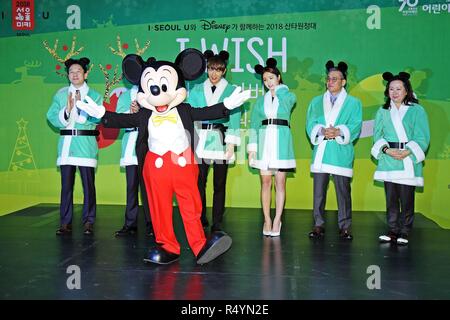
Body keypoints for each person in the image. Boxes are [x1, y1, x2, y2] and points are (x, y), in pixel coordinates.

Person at [305, 60, 362, 241]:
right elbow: (310, 123)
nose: (330, 82)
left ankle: (345, 226)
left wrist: (339, 131)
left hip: (340, 151)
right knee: (319, 192)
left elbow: (355, 125)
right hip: (322, 149)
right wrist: (321, 130)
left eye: (335, 79)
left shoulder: (354, 103)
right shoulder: (316, 102)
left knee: (343, 192)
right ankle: (318, 224)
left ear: (343, 82)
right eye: (328, 79)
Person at [371, 71, 430, 245]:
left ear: (406, 91)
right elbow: (377, 136)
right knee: (390, 199)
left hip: (407, 159)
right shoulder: (382, 111)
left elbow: (422, 136)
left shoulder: (417, 110)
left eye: (398, 88)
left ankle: (405, 230)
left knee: (406, 198)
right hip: (389, 158)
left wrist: (408, 151)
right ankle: (392, 230)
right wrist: (386, 150)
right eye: (391, 89)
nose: (394, 92)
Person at [46, 57, 103, 235]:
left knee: (88, 186)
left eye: (78, 71)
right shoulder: (61, 94)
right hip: (66, 146)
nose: (75, 75)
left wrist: (80, 108)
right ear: (68, 75)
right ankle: (65, 222)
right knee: (66, 187)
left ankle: (88, 221)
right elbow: (52, 116)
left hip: (85, 145)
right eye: (71, 72)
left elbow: (98, 117)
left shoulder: (94, 95)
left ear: (86, 74)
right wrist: (67, 110)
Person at [187, 50, 241, 233]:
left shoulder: (232, 90)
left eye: (219, 69)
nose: (214, 73)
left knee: (220, 183)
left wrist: (232, 143)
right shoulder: (195, 90)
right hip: (200, 138)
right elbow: (190, 116)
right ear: (206, 69)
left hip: (221, 138)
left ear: (224, 71)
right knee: (199, 181)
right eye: (211, 68)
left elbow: (235, 116)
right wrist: (190, 142)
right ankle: (200, 216)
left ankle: (217, 220)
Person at [247, 58, 297, 237]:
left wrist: (279, 90)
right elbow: (253, 124)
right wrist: (252, 148)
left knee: (280, 182)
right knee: (266, 182)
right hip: (263, 142)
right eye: (265, 80)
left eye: (271, 78)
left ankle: (277, 219)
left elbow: (286, 103)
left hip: (281, 142)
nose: (268, 82)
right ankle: (267, 218)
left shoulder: (288, 95)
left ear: (278, 77)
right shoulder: (260, 101)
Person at [114, 84, 154, 237]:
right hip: (131, 146)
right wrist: (131, 113)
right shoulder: (125, 96)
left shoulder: (152, 93)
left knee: (148, 188)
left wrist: (140, 113)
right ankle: (130, 224)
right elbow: (118, 118)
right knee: (131, 187)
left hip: (149, 146)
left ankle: (152, 223)